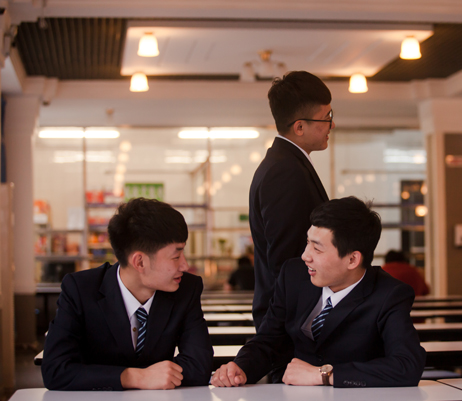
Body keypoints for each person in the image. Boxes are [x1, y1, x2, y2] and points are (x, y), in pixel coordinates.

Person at [211, 197, 427, 388]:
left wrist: (323, 375)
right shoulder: (294, 275)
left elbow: (407, 366)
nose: (305, 256)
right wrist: (240, 367)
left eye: (317, 248)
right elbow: (268, 340)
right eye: (307, 243)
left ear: (352, 259)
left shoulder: (389, 295)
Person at [42, 198, 214, 390]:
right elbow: (55, 370)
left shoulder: (186, 289)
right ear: (139, 262)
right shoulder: (81, 290)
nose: (185, 265)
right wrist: (135, 377)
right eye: (176, 256)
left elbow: (199, 366)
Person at [250, 70, 332, 329]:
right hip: (292, 320)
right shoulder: (285, 171)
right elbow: (288, 260)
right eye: (326, 117)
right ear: (299, 127)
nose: (331, 125)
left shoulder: (284, 163)